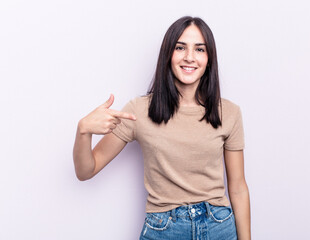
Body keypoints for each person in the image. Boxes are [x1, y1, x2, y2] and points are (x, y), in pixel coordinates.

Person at [73, 16, 251, 240]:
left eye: (199, 49)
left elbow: (238, 187)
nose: (189, 57)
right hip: (164, 229)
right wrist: (83, 131)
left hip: (218, 227)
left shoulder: (229, 112)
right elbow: (85, 170)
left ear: (209, 59)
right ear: (168, 54)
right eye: (180, 47)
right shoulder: (138, 110)